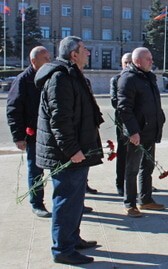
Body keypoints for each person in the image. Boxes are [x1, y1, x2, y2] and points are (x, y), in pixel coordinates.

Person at [34, 36, 103, 265]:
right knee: (65, 202)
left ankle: (73, 239)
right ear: (74, 54)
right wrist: (73, 150)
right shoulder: (60, 78)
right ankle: (62, 249)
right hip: (66, 154)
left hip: (77, 152)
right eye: (84, 49)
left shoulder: (73, 74)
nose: (89, 53)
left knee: (75, 201)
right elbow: (60, 120)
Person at [117, 47, 166, 217]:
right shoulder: (128, 78)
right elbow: (124, 108)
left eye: (151, 58)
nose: (151, 62)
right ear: (137, 61)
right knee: (132, 169)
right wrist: (132, 131)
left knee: (148, 166)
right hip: (136, 133)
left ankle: (146, 199)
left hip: (150, 130)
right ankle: (129, 204)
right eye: (148, 59)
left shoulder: (148, 77)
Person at [6, 46, 51, 218]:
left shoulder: (48, 77)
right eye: (45, 58)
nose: (49, 61)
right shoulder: (23, 80)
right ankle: (37, 203)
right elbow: (13, 109)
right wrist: (18, 136)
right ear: (34, 61)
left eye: (49, 57)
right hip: (33, 133)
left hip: (49, 132)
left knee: (58, 170)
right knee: (36, 169)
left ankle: (66, 203)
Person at [110, 52, 132, 196]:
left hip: (139, 121)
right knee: (123, 153)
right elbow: (114, 101)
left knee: (139, 153)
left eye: (131, 62)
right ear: (121, 64)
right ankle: (120, 183)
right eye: (126, 62)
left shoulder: (139, 78)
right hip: (123, 121)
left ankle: (139, 182)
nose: (128, 65)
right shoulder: (116, 79)